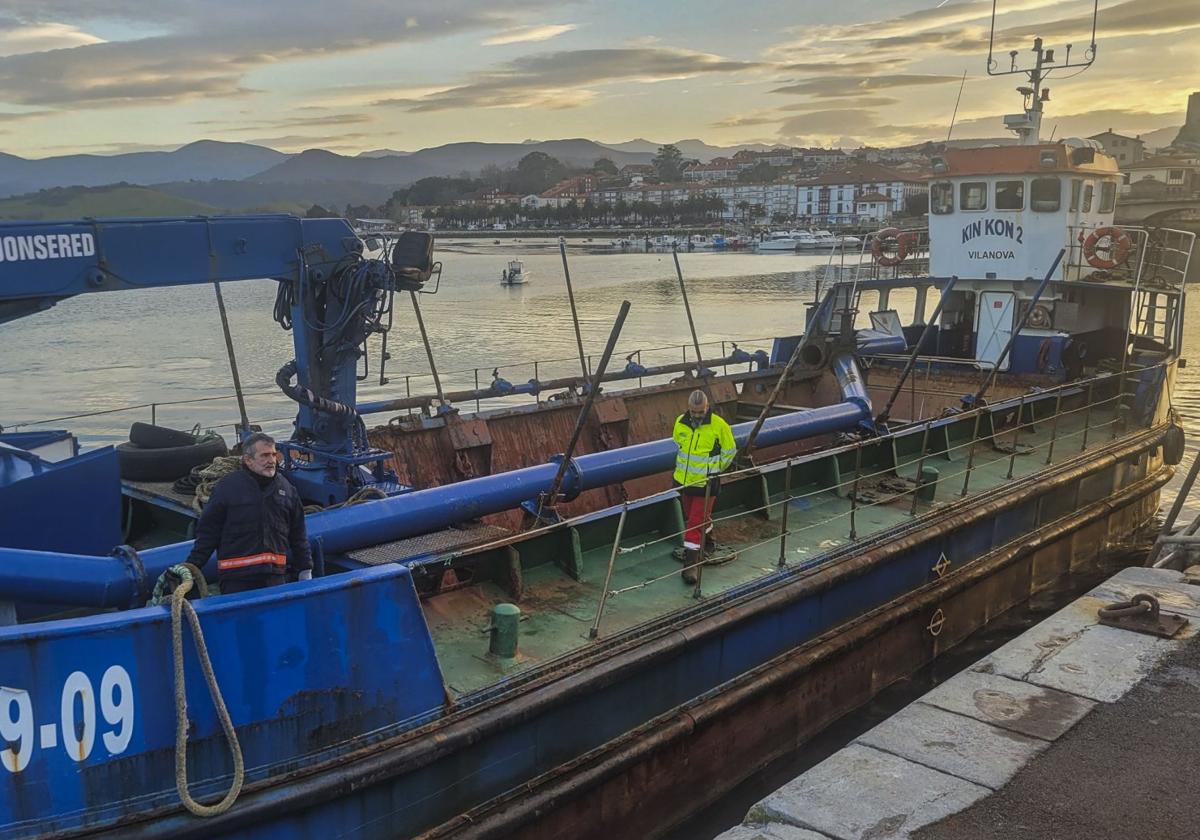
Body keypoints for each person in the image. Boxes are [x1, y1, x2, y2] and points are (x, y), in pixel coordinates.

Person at [186, 432, 313, 594]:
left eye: (274, 455)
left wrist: (305, 568)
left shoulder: (287, 490)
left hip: (275, 578)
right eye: (265, 455)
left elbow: (298, 535)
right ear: (248, 460)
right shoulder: (227, 488)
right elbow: (208, 533)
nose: (272, 461)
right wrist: (192, 566)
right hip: (236, 580)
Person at [672, 390, 736, 584]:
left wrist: (714, 469)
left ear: (707, 407)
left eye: (700, 412)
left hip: (706, 484)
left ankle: (691, 565)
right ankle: (708, 542)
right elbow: (679, 444)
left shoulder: (719, 426)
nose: (697, 416)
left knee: (694, 523)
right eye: (693, 411)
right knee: (691, 515)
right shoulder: (680, 423)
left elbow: (730, 450)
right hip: (684, 481)